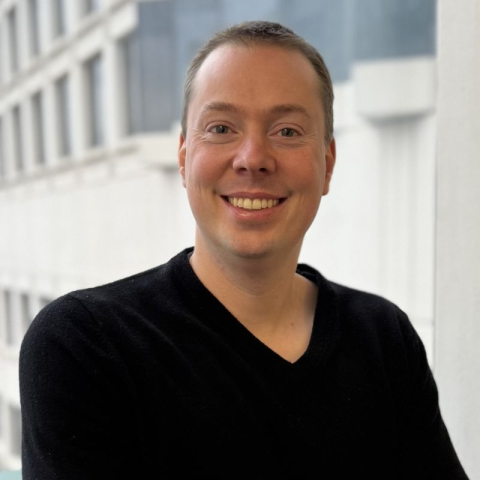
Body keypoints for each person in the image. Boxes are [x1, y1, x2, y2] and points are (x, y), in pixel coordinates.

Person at [19, 21, 468, 479]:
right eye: (221, 128)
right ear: (184, 157)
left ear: (328, 164)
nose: (253, 158)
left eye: (287, 131)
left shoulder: (383, 338)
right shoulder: (87, 346)